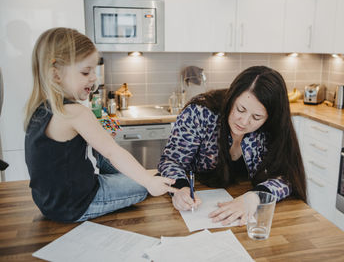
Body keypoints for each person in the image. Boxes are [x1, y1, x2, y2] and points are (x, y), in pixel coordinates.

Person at [24, 27, 176, 223]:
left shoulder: (40, 109)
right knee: (141, 186)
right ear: (56, 75)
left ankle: (143, 175)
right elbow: (113, 152)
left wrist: (100, 134)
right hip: (75, 204)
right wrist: (148, 182)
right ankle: (148, 176)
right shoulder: (76, 113)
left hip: (49, 201)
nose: (94, 78)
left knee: (109, 156)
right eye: (86, 72)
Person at [158, 65, 307, 225]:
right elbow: (171, 161)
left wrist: (254, 197)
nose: (244, 122)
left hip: (244, 213)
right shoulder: (199, 114)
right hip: (198, 206)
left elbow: (288, 176)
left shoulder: (272, 128)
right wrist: (180, 189)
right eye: (240, 109)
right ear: (232, 98)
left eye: (256, 117)